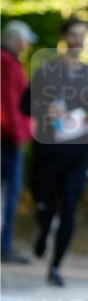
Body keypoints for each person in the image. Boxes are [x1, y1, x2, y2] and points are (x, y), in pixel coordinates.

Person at [26, 16, 88, 286]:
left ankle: (56, 266)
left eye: (83, 35)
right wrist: (45, 111)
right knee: (45, 202)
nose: (78, 41)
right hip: (48, 152)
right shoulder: (46, 72)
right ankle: (44, 227)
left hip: (78, 152)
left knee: (69, 207)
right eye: (74, 35)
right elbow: (26, 106)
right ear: (64, 37)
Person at [1, 20, 38, 263]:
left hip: (9, 136)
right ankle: (4, 247)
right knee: (9, 192)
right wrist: (19, 136)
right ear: (16, 39)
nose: (27, 45)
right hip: (7, 138)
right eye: (25, 40)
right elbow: (9, 104)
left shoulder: (13, 62)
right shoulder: (5, 62)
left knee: (10, 193)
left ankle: (5, 245)